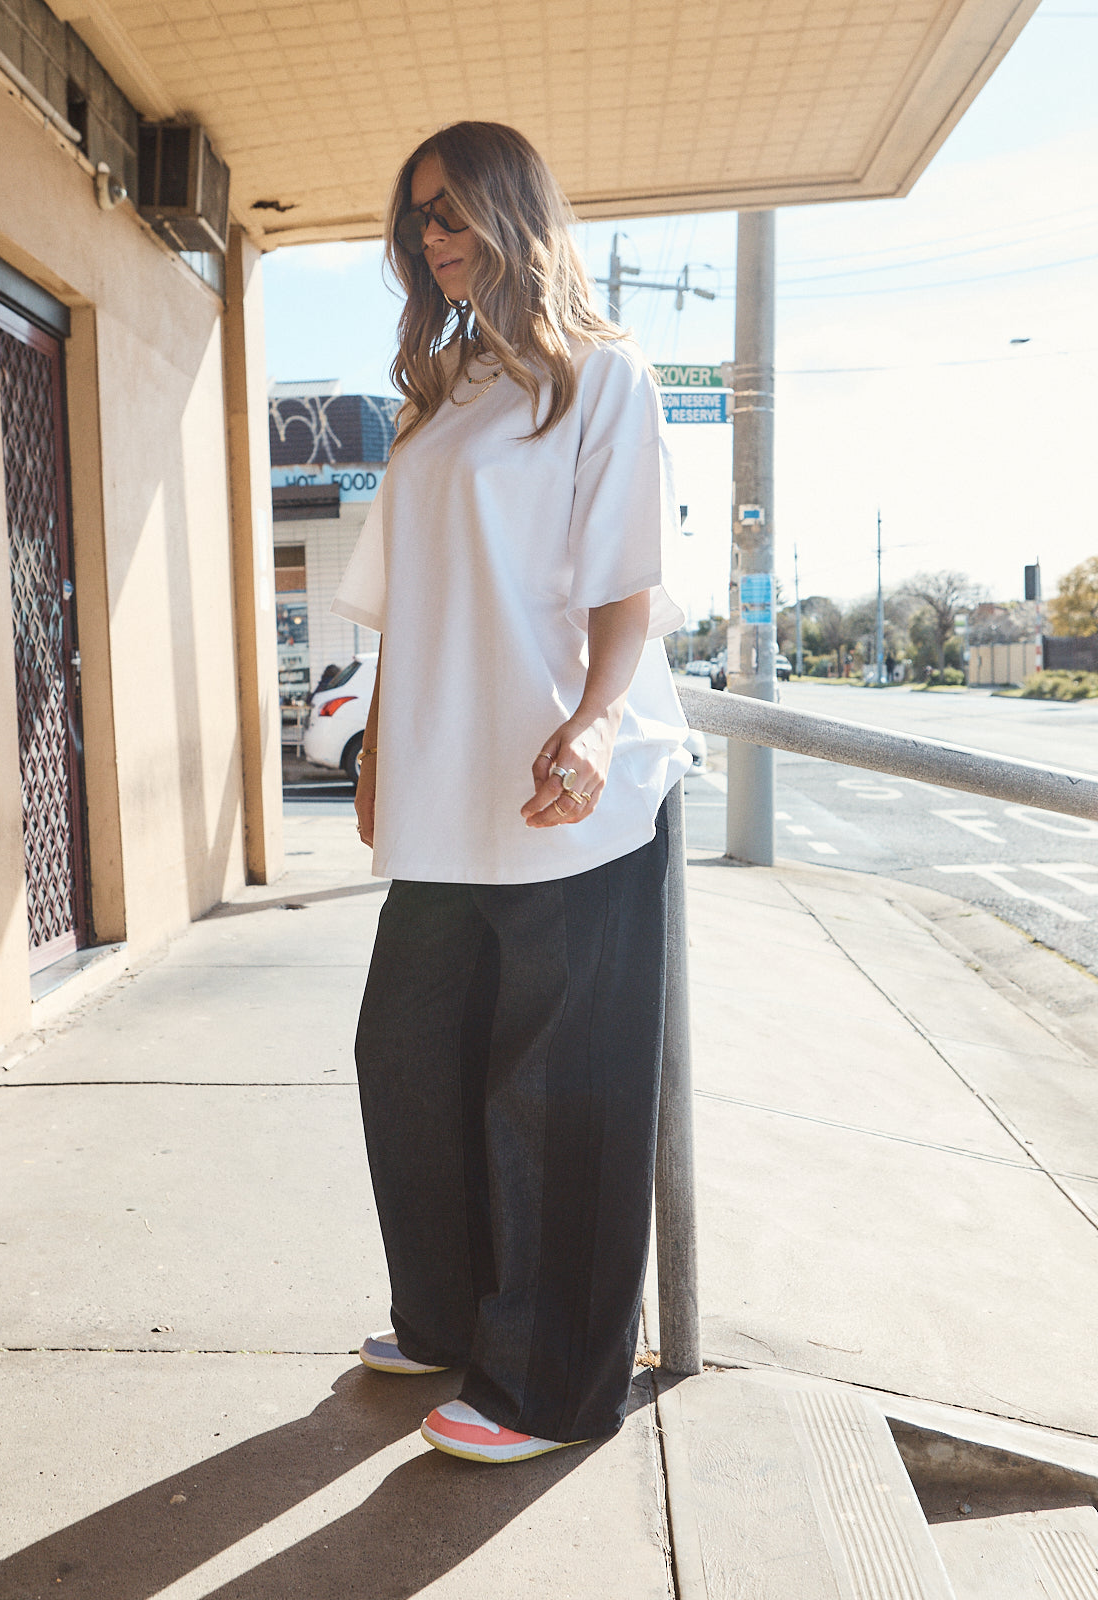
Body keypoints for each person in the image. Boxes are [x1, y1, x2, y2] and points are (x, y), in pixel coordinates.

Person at [331, 121, 692, 1466]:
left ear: (514, 209)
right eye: (418, 218)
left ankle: (545, 1387)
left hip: (568, 791)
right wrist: (377, 749)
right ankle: (447, 1316)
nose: (434, 237)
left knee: (559, 1093)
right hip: (445, 792)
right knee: (408, 1058)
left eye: (455, 210)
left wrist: (596, 730)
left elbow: (626, 594)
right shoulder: (447, 391)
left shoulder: (605, 379)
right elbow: (403, 607)